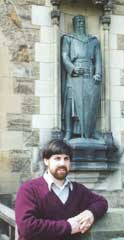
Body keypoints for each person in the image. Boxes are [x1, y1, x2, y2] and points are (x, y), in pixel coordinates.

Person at [15, 139, 108, 240]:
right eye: (57, 158)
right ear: (46, 161)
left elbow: (102, 202)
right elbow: (26, 227)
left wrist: (90, 213)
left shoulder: (78, 190)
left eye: (66, 159)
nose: (62, 163)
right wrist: (68, 227)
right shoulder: (29, 189)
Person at [61, 15, 102, 140]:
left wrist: (98, 73)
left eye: (82, 21)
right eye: (77, 21)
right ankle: (68, 131)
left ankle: (91, 131)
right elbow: (64, 56)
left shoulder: (93, 41)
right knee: (70, 101)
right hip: (75, 75)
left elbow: (98, 60)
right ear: (74, 24)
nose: (80, 23)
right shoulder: (69, 39)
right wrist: (73, 68)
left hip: (89, 74)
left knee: (91, 103)